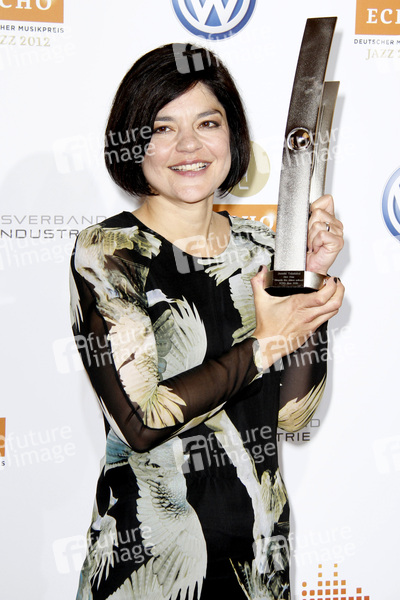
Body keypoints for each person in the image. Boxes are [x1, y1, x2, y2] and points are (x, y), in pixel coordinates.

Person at [70, 43, 344, 600]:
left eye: (207, 123)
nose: (189, 145)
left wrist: (307, 284)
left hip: (257, 561)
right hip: (149, 564)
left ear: (232, 136)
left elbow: (293, 413)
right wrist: (265, 343)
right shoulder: (110, 251)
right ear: (133, 142)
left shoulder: (262, 249)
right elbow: (142, 422)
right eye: (163, 127)